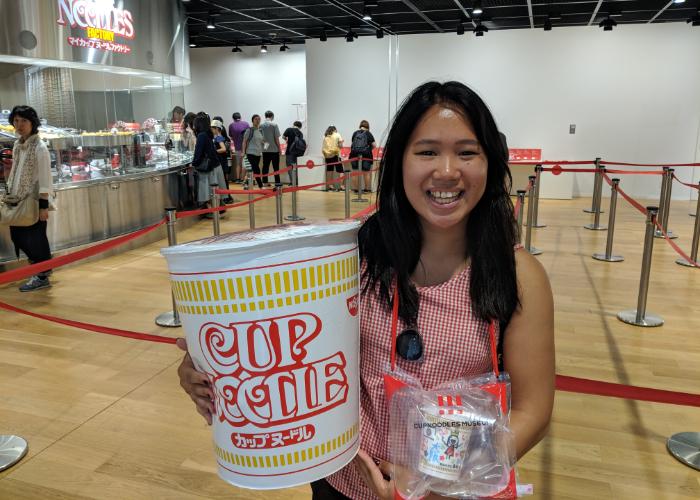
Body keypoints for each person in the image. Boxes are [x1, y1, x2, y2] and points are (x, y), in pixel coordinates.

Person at [176, 81, 555, 500]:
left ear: (490, 162)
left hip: (453, 490)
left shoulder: (518, 274)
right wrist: (212, 371)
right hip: (343, 478)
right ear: (398, 163)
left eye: (467, 152)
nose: (447, 170)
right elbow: (288, 348)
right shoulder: (353, 255)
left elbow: (532, 410)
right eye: (427, 151)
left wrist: (439, 478)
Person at [4, 105, 53, 292]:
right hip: (17, 200)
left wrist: (43, 206)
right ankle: (40, 269)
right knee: (18, 236)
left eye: (24, 120)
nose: (19, 125)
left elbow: (45, 179)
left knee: (35, 238)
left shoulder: (39, 147)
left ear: (33, 122)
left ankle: (41, 275)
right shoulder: (18, 145)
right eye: (16, 121)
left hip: (33, 201)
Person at [191, 113, 225, 218]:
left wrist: (194, 163)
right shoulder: (210, 135)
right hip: (216, 164)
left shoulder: (204, 135)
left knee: (209, 191)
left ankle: (214, 212)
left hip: (209, 166)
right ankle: (218, 209)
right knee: (214, 190)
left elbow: (199, 152)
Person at [350, 120, 376, 194]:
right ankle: (367, 189)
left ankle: (356, 189)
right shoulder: (368, 133)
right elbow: (374, 145)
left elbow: (353, 144)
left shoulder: (355, 133)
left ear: (360, 125)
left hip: (354, 155)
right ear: (367, 126)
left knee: (355, 172)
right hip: (366, 155)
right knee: (366, 173)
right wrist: (368, 149)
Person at [241, 114, 264, 189]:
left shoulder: (260, 130)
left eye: (259, 119)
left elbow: (261, 140)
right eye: (256, 119)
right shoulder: (249, 130)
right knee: (256, 169)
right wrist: (243, 152)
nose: (257, 121)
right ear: (252, 121)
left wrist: (265, 144)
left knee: (253, 169)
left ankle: (246, 183)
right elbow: (244, 141)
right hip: (250, 152)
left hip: (258, 153)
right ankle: (260, 185)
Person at [259, 110, 281, 186]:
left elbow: (260, 138)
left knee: (265, 166)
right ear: (272, 116)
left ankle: (264, 182)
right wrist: (280, 149)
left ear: (265, 116)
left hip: (265, 149)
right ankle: (277, 182)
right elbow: (276, 138)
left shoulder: (261, 125)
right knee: (276, 167)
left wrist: (265, 144)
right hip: (274, 149)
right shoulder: (274, 125)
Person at [228, 112, 249, 183]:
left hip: (237, 147)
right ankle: (243, 179)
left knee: (238, 164)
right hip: (246, 148)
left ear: (233, 118)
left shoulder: (231, 125)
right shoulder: (246, 124)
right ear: (240, 117)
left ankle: (237, 179)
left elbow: (231, 136)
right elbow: (249, 135)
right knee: (245, 164)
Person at [321, 125, 343, 191]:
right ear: (335, 129)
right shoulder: (337, 135)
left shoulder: (325, 135)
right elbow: (341, 146)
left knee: (329, 170)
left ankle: (329, 186)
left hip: (327, 155)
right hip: (336, 155)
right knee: (340, 170)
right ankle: (341, 186)